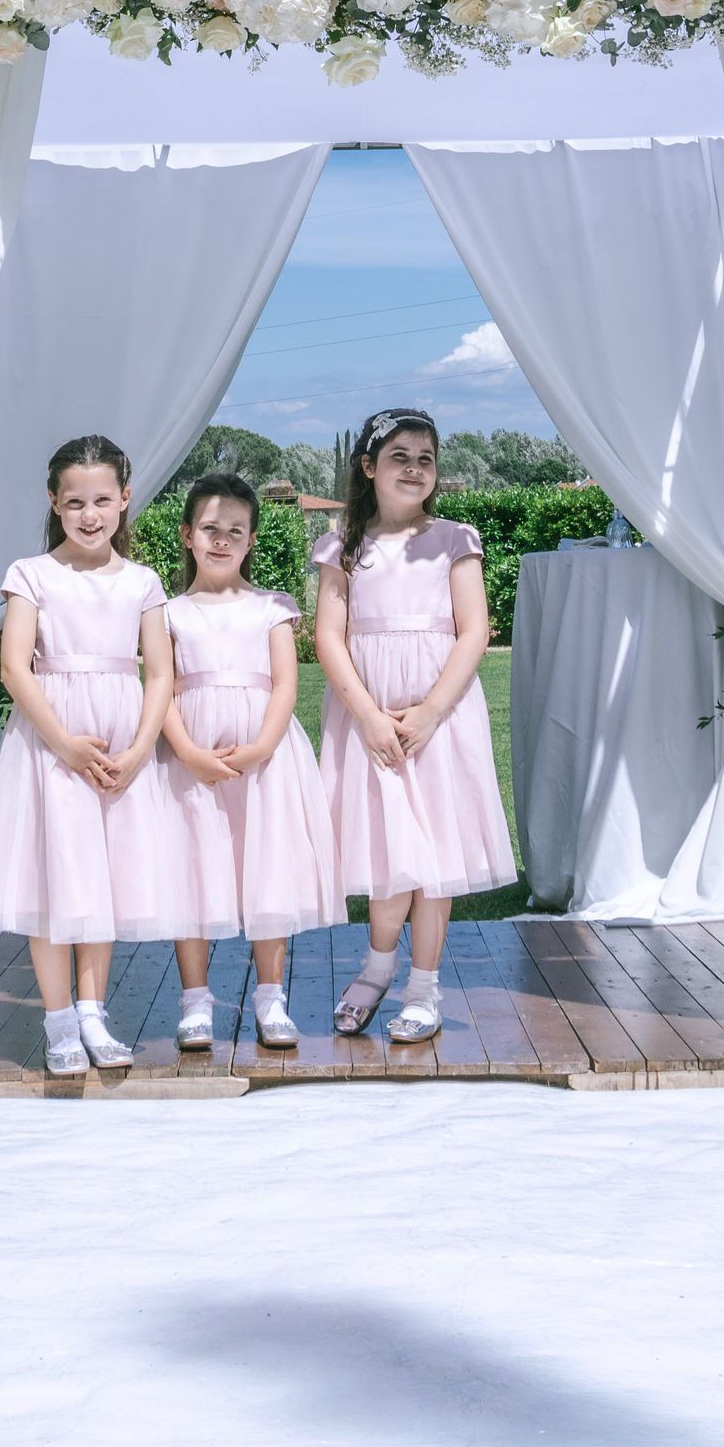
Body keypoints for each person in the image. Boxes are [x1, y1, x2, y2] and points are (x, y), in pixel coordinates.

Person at [0, 432, 177, 1077]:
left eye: (102, 500)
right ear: (54, 502)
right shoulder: (32, 575)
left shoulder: (142, 581)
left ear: (125, 499)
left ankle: (92, 1012)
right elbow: (14, 667)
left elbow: (160, 673)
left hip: (119, 750)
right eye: (76, 502)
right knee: (54, 873)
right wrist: (63, 743)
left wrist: (139, 750)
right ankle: (58, 1021)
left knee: (102, 876)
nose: (90, 515)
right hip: (50, 747)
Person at [312, 408, 514, 1042]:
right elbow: (328, 638)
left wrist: (429, 712)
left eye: (426, 458)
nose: (415, 469)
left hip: (439, 720)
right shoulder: (344, 547)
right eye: (400, 457)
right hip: (368, 722)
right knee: (386, 848)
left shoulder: (455, 540)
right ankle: (377, 968)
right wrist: (369, 717)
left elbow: (474, 631)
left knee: (434, 854)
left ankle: (424, 987)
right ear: (369, 467)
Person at [161, 472, 344, 1054]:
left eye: (235, 531)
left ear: (251, 540)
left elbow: (285, 683)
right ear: (187, 535)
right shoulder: (167, 613)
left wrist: (263, 745)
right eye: (210, 529)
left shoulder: (272, 608)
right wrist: (188, 752)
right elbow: (160, 688)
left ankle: (270, 997)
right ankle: (195, 1000)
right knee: (193, 866)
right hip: (192, 757)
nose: (222, 540)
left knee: (268, 867)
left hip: (265, 759)